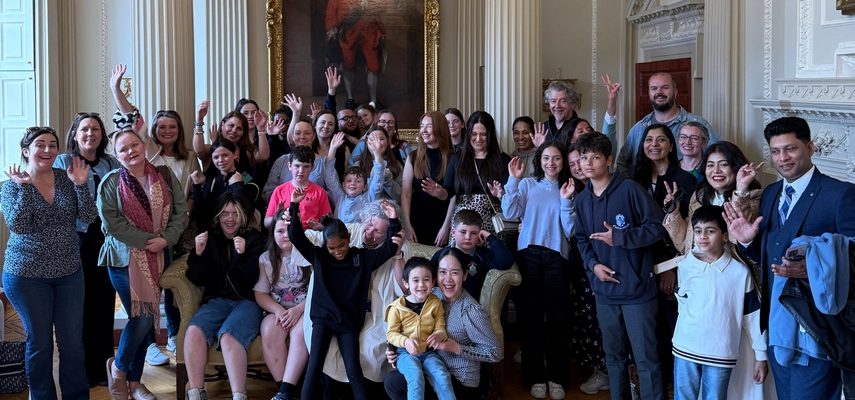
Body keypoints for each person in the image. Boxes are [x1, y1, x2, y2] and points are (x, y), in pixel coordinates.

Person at [724, 116, 855, 400]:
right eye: (775, 151)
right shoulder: (771, 193)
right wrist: (747, 241)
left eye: (791, 149)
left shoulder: (840, 194)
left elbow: (853, 257)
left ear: (810, 147)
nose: (782, 158)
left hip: (818, 330)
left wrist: (812, 269)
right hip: (777, 326)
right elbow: (770, 259)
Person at [2, 127, 97, 400]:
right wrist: (24, 189)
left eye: (52, 145)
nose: (47, 150)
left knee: (72, 343)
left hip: (69, 272)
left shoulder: (67, 178)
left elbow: (89, 217)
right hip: (27, 274)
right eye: (40, 144)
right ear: (26, 151)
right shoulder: (10, 185)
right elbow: (19, 225)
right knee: (40, 342)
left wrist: (81, 185)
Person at [574, 132, 668, 400]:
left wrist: (621, 237)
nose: (588, 163)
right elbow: (582, 239)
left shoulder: (630, 189)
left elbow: (658, 227)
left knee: (646, 359)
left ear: (609, 160)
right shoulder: (582, 200)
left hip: (637, 290)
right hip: (604, 291)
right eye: (583, 158)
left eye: (595, 157)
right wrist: (593, 266)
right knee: (613, 358)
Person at [99, 128, 187, 400]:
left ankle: (134, 384)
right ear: (117, 156)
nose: (130, 151)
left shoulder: (164, 175)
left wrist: (166, 239)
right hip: (124, 260)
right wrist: (151, 241)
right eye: (123, 149)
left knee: (144, 322)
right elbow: (113, 224)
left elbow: (180, 211)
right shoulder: (111, 182)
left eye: (134, 145)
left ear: (144, 145)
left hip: (159, 255)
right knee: (142, 318)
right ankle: (119, 369)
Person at [288, 193, 402, 400]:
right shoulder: (319, 256)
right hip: (323, 320)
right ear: (325, 246)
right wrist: (294, 205)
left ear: (349, 239)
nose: (337, 251)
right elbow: (296, 237)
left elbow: (390, 248)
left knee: (354, 370)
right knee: (314, 367)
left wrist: (393, 219)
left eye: (341, 246)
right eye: (331, 248)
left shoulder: (361, 258)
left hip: (348, 323)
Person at [500, 141, 576, 399]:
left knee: (558, 319)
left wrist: (566, 201)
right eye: (546, 158)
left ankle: (557, 377)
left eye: (556, 158)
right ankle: (535, 377)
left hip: (557, 256)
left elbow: (571, 230)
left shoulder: (569, 187)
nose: (550, 163)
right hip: (528, 255)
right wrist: (512, 180)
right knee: (529, 318)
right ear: (539, 160)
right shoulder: (527, 184)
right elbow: (510, 211)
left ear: (563, 161)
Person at [669, 205, 768, 400]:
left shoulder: (740, 273)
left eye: (710, 231)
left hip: (720, 352)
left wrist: (761, 356)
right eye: (698, 231)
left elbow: (753, 317)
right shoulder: (686, 266)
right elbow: (683, 304)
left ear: (725, 236)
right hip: (685, 348)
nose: (703, 236)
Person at [53, 113, 119, 387]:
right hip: (75, 239)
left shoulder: (111, 163)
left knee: (103, 303)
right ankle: (80, 371)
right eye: (84, 129)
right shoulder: (63, 162)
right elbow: (57, 198)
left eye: (95, 129)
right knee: (79, 305)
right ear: (75, 134)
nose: (90, 133)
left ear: (102, 135)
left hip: (105, 240)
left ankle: (102, 368)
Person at [384, 247, 502, 399]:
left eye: (455, 272)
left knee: (394, 382)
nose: (448, 279)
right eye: (442, 272)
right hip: (430, 363)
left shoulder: (471, 311)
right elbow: (405, 327)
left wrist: (457, 348)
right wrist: (395, 350)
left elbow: (495, 353)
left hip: (460, 379)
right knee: (398, 379)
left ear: (465, 275)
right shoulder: (432, 295)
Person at [183, 193, 267, 400]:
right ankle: (196, 393)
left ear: (243, 217)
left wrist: (243, 255)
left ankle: (239, 396)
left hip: (248, 301)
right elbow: (197, 278)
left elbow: (253, 279)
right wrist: (198, 254)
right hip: (217, 300)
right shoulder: (211, 238)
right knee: (193, 332)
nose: (230, 219)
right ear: (217, 217)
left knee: (229, 336)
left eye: (235, 214)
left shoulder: (256, 239)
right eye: (225, 214)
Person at [565, 144, 610, 395]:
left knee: (603, 317)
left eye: (581, 160)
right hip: (580, 260)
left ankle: (609, 371)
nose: (580, 166)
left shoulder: (604, 188)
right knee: (586, 315)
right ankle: (596, 368)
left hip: (605, 259)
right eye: (573, 163)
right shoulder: (572, 192)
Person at [616, 72, 720, 173]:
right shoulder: (638, 128)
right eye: (654, 88)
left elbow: (719, 155)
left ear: (675, 92)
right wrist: (630, 184)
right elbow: (623, 164)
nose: (659, 92)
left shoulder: (697, 124)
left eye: (665, 87)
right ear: (649, 93)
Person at [258, 209, 312, 400]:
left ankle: (287, 390)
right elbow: (260, 294)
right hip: (278, 309)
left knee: (300, 332)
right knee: (270, 330)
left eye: (289, 230)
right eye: (280, 231)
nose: (285, 235)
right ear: (272, 234)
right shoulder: (265, 259)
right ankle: (285, 390)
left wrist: (298, 310)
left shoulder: (309, 254)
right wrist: (279, 310)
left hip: (305, 308)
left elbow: (318, 291)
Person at [384, 257, 456, 400]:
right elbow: (391, 334)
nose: (421, 285)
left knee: (442, 376)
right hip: (405, 353)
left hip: (429, 353)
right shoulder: (396, 308)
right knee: (415, 375)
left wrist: (439, 335)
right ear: (406, 283)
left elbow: (440, 327)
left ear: (433, 282)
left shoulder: (435, 303)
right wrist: (405, 341)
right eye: (415, 280)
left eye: (426, 280)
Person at [437, 111, 511, 239]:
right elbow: (448, 192)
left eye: (483, 134)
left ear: (491, 135)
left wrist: (501, 195)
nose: (478, 139)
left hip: (493, 225)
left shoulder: (503, 160)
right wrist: (438, 192)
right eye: (474, 134)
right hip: (462, 226)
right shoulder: (457, 159)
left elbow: (511, 197)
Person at [429, 210, 514, 301]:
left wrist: (489, 237)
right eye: (463, 232)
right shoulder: (441, 255)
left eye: (474, 233)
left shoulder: (483, 255)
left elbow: (506, 261)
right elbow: (430, 280)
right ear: (453, 232)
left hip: (470, 305)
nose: (468, 237)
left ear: (479, 234)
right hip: (440, 303)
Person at [402, 111, 455, 246]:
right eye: (422, 126)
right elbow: (406, 194)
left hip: (442, 222)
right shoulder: (413, 157)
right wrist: (407, 225)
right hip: (416, 222)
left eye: (429, 126)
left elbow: (454, 196)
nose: (423, 130)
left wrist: (446, 227)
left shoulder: (454, 158)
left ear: (440, 128)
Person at [325, 0, 386, 109]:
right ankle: (350, 98)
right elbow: (331, 11)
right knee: (348, 65)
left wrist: (381, 30)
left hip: (369, 32)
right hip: (348, 33)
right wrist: (332, 28)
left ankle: (374, 100)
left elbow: (377, 10)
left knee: (374, 66)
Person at [190, 140, 260, 233]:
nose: (220, 160)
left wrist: (237, 185)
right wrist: (196, 186)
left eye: (225, 155)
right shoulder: (212, 182)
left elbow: (248, 209)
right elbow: (201, 214)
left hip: (241, 232)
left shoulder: (245, 176)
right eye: (216, 157)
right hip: (216, 234)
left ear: (235, 154)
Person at [193, 101, 269, 177]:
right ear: (222, 125)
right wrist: (199, 121)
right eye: (231, 125)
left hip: (242, 184)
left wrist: (261, 129)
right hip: (214, 184)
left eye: (239, 128)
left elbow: (263, 156)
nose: (234, 130)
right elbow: (199, 151)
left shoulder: (245, 152)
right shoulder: (211, 149)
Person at [323, 132, 386, 223]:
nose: (352, 183)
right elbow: (329, 178)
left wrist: (377, 153)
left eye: (358, 181)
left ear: (364, 186)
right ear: (343, 185)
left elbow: (378, 181)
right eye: (349, 181)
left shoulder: (368, 197)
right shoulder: (340, 197)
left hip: (360, 232)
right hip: (339, 231)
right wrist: (332, 149)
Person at [264, 145, 331, 230]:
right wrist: (278, 215)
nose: (301, 171)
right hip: (286, 234)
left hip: (310, 235)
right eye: (297, 166)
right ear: (289, 166)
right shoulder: (279, 190)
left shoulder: (320, 192)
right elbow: (266, 223)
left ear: (312, 167)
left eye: (306, 166)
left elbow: (329, 223)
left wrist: (318, 227)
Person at [351, 126, 404, 201]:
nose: (377, 143)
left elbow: (401, 196)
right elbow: (354, 194)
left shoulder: (397, 166)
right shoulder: (358, 165)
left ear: (388, 141)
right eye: (372, 139)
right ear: (367, 142)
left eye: (381, 139)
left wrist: (387, 179)